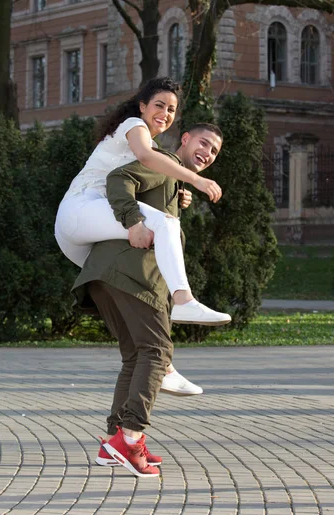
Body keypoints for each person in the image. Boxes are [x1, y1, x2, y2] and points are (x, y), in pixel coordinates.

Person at [71, 123, 224, 475]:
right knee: (157, 352)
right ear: (185, 139)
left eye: (214, 151)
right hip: (131, 276)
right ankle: (130, 437)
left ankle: (113, 443)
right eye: (204, 143)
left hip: (105, 275)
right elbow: (118, 179)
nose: (207, 153)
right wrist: (133, 221)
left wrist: (178, 194)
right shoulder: (163, 160)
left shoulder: (170, 178)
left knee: (136, 357)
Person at [55, 77, 230, 328]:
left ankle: (164, 365)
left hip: (91, 230)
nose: (165, 113)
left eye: (171, 110)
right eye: (159, 105)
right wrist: (197, 181)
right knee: (165, 224)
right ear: (142, 106)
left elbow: (141, 182)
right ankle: (183, 300)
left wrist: (177, 193)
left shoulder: (152, 143)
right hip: (80, 209)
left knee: (137, 287)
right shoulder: (134, 125)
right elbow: (146, 158)